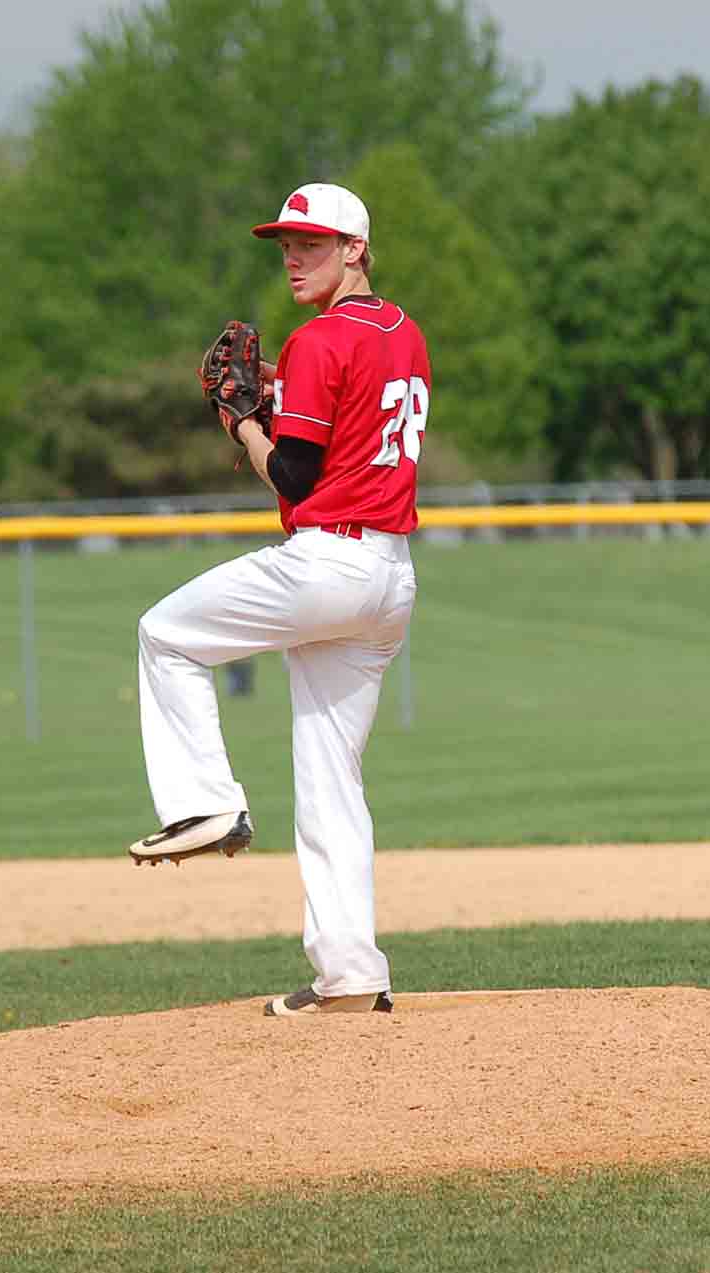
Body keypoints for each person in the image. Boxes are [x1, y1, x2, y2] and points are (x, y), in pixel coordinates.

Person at [130, 182, 429, 1018]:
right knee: (331, 776)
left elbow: (295, 472)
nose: (295, 256)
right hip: (390, 578)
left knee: (165, 635)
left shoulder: (319, 338)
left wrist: (243, 425)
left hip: (327, 565)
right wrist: (278, 383)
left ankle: (204, 804)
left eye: (314, 242)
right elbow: (354, 398)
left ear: (356, 249)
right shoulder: (405, 332)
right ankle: (349, 974)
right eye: (287, 244)